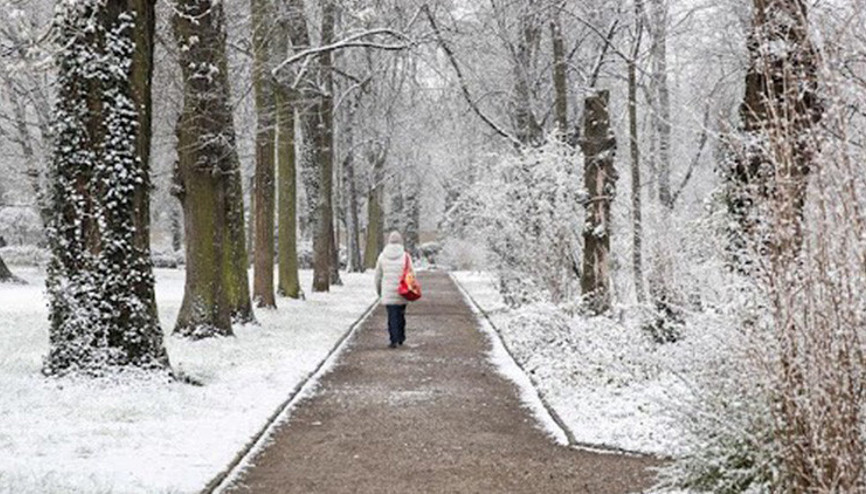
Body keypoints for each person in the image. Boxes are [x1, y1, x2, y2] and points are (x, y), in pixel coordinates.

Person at [375, 231, 415, 348]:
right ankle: (401, 337)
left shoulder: (382, 256)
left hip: (388, 291)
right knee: (401, 314)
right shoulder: (405, 256)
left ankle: (393, 339)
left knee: (391, 315)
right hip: (402, 290)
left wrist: (379, 290)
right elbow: (412, 273)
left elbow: (378, 275)